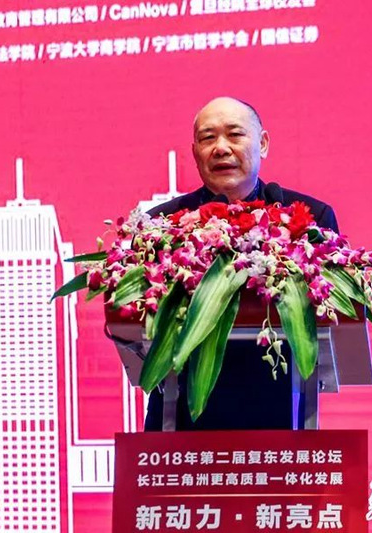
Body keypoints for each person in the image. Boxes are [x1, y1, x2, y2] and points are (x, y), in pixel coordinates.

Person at [144, 96, 339, 431]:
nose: (221, 148)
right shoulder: (162, 224)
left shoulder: (310, 218)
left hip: (281, 412)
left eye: (235, 135)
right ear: (195, 153)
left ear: (262, 144)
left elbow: (330, 320)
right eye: (208, 138)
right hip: (179, 419)